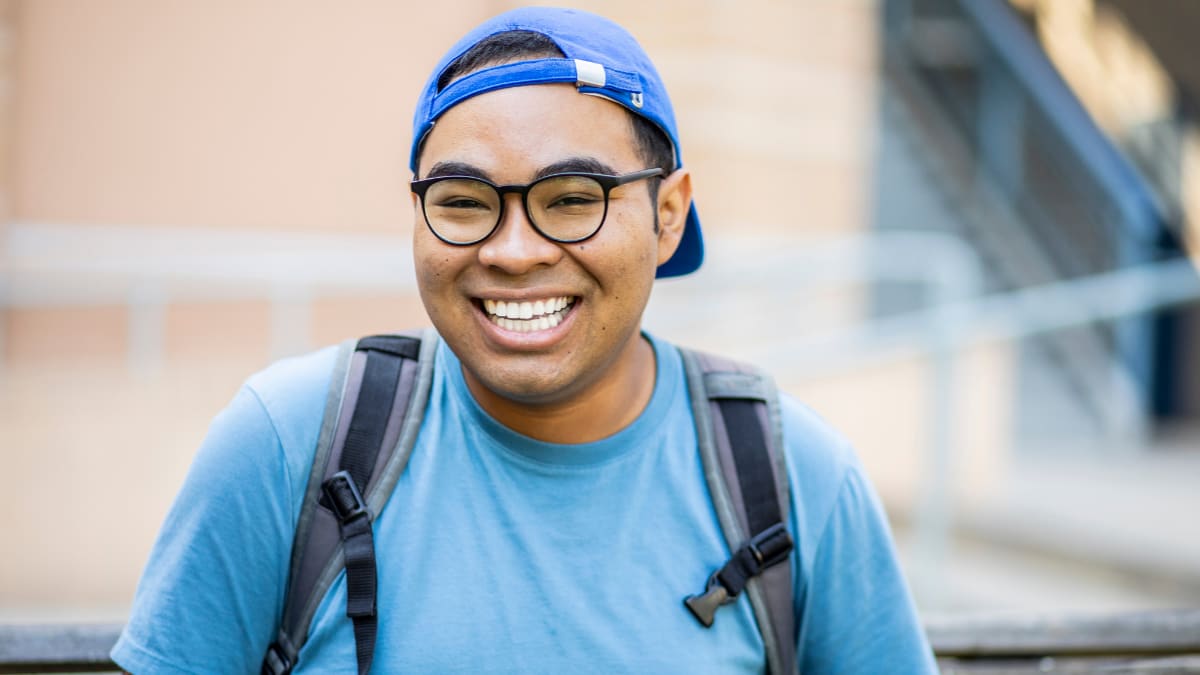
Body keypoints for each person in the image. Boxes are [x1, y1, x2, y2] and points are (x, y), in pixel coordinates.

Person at [112, 7, 936, 673]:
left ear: (669, 212)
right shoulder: (289, 447)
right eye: (465, 201)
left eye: (574, 197)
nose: (512, 252)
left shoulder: (792, 477)